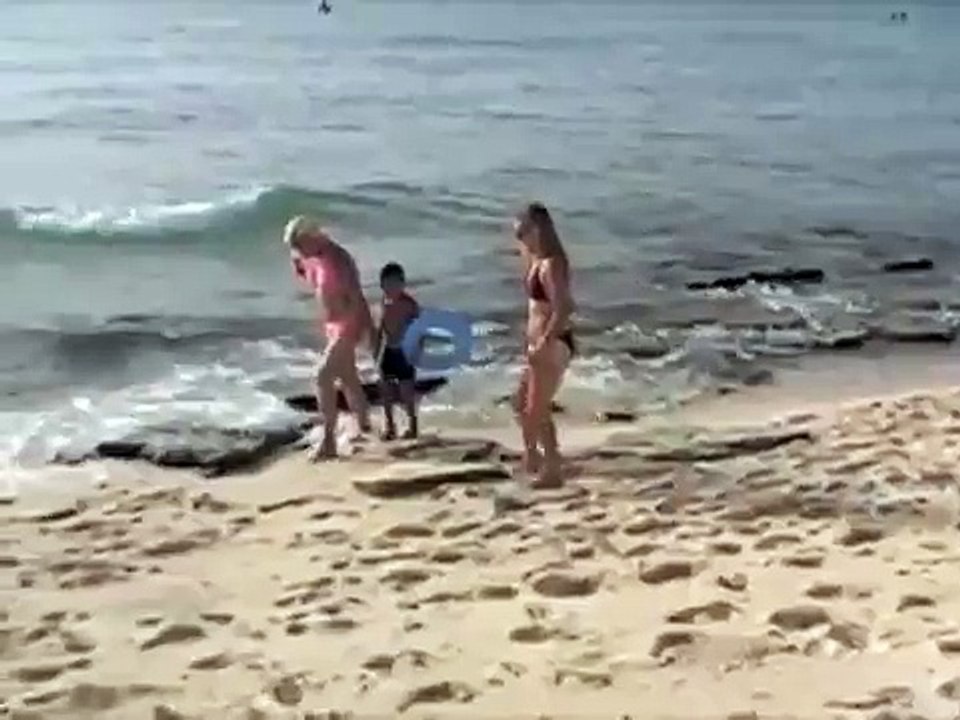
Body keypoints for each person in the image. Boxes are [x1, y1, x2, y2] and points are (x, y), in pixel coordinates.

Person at [283, 215, 373, 460]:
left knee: (322, 376)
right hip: (333, 325)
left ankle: (329, 441)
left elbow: (356, 296)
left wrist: (367, 329)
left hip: (349, 323)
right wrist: (299, 260)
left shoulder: (339, 259)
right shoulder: (313, 257)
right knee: (348, 379)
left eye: (301, 245)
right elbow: (307, 274)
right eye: (296, 248)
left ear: (314, 236)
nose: (299, 251)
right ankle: (365, 427)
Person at [511, 202, 575, 488]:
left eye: (522, 232)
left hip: (552, 343)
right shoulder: (536, 262)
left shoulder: (551, 264)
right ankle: (541, 460)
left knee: (533, 410)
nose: (519, 240)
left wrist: (544, 341)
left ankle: (546, 465)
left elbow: (564, 307)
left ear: (538, 229)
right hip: (539, 343)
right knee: (525, 404)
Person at [374, 262, 421, 440]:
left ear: (403, 284)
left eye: (395, 284)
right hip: (388, 351)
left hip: (405, 353)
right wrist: (376, 354)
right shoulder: (383, 304)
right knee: (385, 390)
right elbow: (380, 330)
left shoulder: (409, 304)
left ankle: (412, 425)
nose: (391, 288)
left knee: (406, 393)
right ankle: (390, 426)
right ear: (381, 286)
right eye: (387, 285)